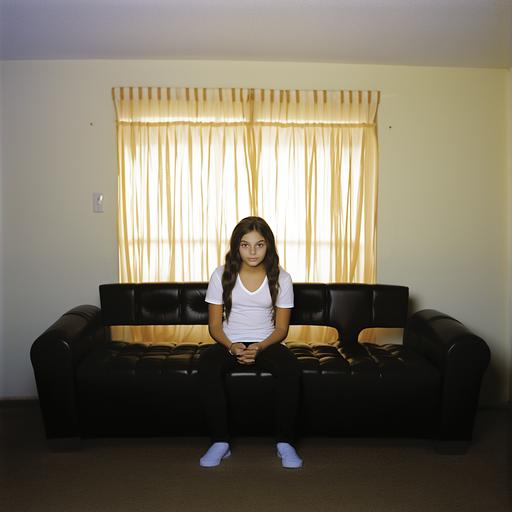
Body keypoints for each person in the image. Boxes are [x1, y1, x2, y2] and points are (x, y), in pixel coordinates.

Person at [198, 216, 303, 469]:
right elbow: (214, 326)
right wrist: (232, 346)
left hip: (267, 341)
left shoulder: (282, 278)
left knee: (291, 369)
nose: (253, 251)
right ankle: (220, 442)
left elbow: (281, 328)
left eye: (259, 244)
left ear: (269, 246)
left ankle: (284, 443)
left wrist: (260, 347)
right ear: (236, 247)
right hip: (229, 341)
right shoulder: (221, 275)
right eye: (245, 245)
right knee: (207, 366)